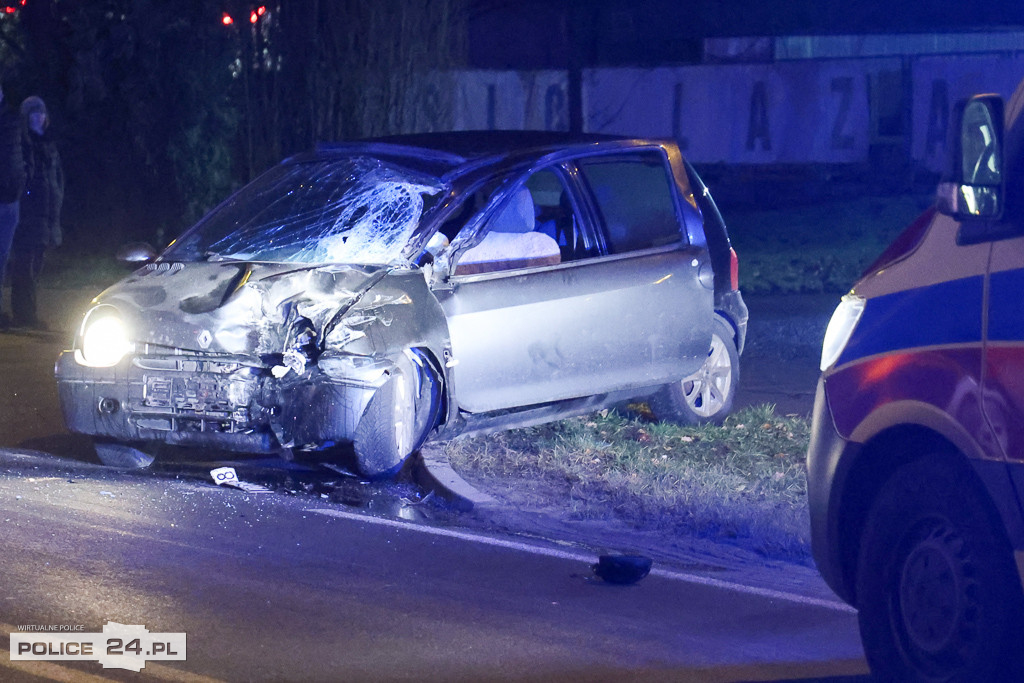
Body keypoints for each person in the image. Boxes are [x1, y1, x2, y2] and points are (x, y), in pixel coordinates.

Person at [11, 95, 62, 330]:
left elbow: (57, 180)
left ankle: (27, 313)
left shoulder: (48, 145)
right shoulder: (22, 143)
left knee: (36, 264)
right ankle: (24, 315)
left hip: (46, 214)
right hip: (27, 214)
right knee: (25, 265)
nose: (38, 117)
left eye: (41, 113)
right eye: (33, 113)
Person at [0, 82, 27, 328]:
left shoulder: (11, 118)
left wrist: (20, 183)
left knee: (3, 256)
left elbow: (19, 156)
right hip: (8, 197)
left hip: (10, 199)